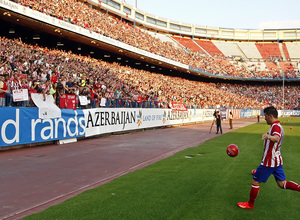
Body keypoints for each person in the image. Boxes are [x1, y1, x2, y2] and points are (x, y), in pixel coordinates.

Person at [238, 106, 300, 209]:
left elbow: (276, 138)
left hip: (269, 161)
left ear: (270, 116)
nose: (265, 118)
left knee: (255, 181)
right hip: (277, 161)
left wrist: (268, 136)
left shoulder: (275, 127)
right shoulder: (277, 126)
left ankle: (250, 204)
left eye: (265, 116)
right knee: (282, 183)